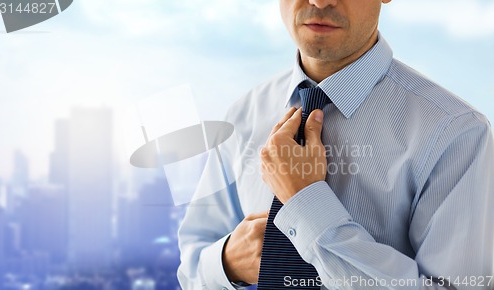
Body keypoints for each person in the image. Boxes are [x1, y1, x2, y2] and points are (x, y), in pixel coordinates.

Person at [177, 0, 494, 289]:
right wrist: (227, 263)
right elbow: (192, 265)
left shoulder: (456, 133)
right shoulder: (245, 113)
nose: (319, 1)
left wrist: (305, 203)